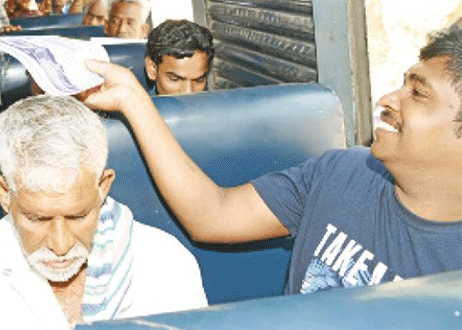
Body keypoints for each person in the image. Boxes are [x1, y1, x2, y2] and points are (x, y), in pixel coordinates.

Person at [83, 24, 462, 296]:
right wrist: (135, 103)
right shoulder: (340, 173)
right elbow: (213, 214)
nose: (388, 100)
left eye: (417, 93)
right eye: (402, 83)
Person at [0, 95, 208, 330]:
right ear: (4, 194)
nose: (61, 245)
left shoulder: (168, 264)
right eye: (37, 219)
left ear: (103, 187)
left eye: (78, 217)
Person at [145, 19, 215, 95]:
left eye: (198, 80)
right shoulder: (139, 106)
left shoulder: (218, 105)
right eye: (175, 79)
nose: (188, 92)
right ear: (152, 69)